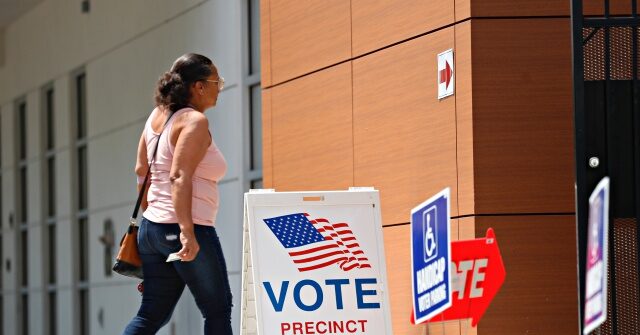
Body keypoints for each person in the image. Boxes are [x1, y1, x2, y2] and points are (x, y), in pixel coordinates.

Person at [123, 53, 233, 335]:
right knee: (218, 310)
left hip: (153, 229)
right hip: (186, 227)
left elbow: (140, 170)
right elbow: (179, 176)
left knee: (151, 315)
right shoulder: (194, 122)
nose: (219, 86)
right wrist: (186, 231)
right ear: (198, 86)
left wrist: (152, 216)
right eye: (215, 81)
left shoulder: (157, 117)